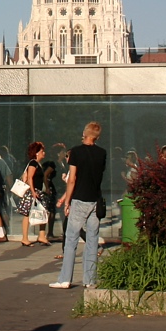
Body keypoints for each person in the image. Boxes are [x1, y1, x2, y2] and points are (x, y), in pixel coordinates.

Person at [50, 121, 107, 289]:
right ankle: (90, 280)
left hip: (79, 199)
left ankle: (65, 278)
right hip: (95, 200)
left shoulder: (75, 152)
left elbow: (72, 179)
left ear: (84, 133)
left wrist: (67, 201)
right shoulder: (102, 153)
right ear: (97, 136)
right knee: (92, 240)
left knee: (71, 239)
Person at [19, 142, 51, 246]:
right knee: (28, 214)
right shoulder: (33, 163)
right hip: (34, 192)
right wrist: (33, 192)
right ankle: (25, 237)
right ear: (36, 153)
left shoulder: (38, 164)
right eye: (42, 151)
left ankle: (41, 235)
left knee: (43, 212)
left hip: (37, 191)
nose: (43, 153)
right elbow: (30, 178)